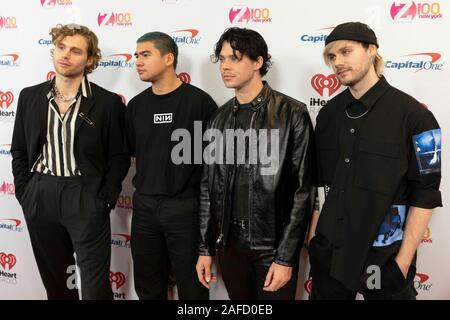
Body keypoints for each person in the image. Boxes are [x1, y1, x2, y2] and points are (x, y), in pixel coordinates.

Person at [307, 22, 442, 300]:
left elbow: (425, 194)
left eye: (346, 51)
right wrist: (313, 241)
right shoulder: (328, 115)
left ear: (371, 50)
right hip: (330, 255)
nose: (338, 63)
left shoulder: (416, 117)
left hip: (383, 259)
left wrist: (402, 263)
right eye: (332, 57)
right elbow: (321, 186)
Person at [11, 23, 129, 299]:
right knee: (57, 283)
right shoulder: (30, 96)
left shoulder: (108, 102)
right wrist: (25, 191)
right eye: (61, 47)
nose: (65, 55)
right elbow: (19, 150)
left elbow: (119, 156)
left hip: (85, 196)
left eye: (75, 51)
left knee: (94, 288)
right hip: (41, 194)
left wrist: (105, 198)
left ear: (89, 60)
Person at [196, 27, 315, 300]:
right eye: (222, 59)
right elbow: (207, 187)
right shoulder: (219, 118)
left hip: (271, 247)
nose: (225, 66)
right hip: (229, 246)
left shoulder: (292, 113)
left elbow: (302, 191)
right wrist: (205, 248)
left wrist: (285, 257)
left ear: (258, 62)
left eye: (234, 58)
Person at [125, 31, 217, 300]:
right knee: (147, 284)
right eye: (136, 56)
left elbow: (213, 165)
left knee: (192, 287)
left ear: (168, 58)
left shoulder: (200, 103)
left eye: (145, 54)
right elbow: (132, 155)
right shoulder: (136, 106)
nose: (138, 61)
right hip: (144, 208)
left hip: (186, 209)